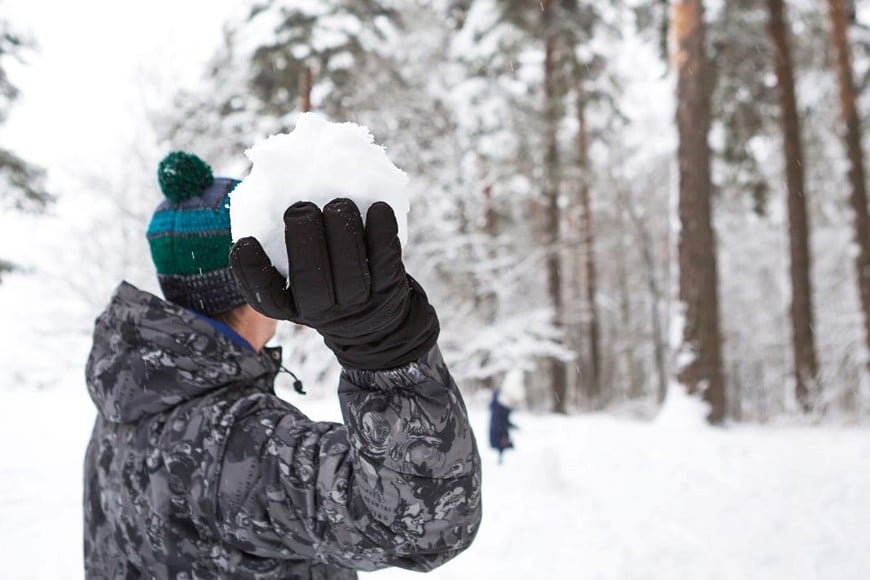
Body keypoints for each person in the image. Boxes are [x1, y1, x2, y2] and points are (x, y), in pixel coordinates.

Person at [83, 151, 482, 579]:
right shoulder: (240, 438)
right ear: (252, 281)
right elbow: (424, 527)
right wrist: (387, 356)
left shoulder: (130, 400)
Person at [489, 370, 524, 464]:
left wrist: (510, 425)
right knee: (501, 444)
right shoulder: (501, 404)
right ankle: (501, 460)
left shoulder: (501, 402)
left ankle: (501, 458)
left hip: (499, 429)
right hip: (499, 430)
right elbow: (499, 420)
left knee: (502, 445)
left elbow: (503, 419)